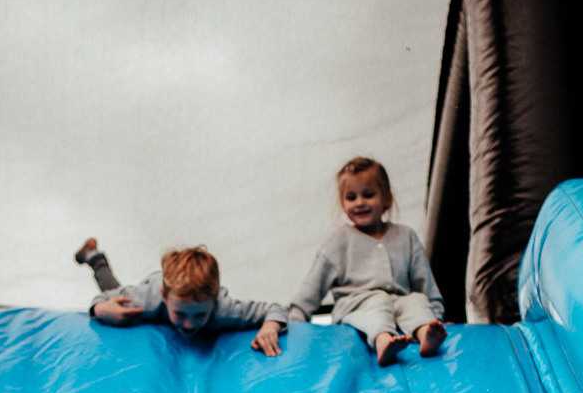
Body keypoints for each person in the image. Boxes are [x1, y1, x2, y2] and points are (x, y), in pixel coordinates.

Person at [288, 156, 447, 367]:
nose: (360, 202)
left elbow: (425, 283)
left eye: (368, 195)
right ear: (342, 203)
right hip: (357, 305)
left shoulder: (406, 236)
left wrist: (436, 316)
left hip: (398, 302)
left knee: (415, 300)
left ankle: (426, 332)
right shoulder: (338, 242)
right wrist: (296, 319)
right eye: (351, 197)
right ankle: (383, 340)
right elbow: (312, 287)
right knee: (377, 303)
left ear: (386, 198)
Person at [85, 244, 288, 357]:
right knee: (115, 293)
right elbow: (104, 298)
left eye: (200, 315)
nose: (189, 324)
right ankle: (94, 257)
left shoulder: (224, 309)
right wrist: (100, 309)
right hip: (153, 287)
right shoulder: (148, 299)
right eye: (180, 314)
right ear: (165, 298)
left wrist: (270, 327)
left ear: (213, 301)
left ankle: (94, 255)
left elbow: (274, 308)